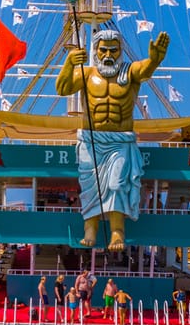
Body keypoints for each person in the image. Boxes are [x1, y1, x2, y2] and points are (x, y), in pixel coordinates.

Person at [55, 29, 169, 251]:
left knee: (117, 185)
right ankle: (90, 228)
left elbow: (144, 70)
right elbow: (62, 88)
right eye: (103, 49)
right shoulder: (87, 74)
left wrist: (155, 60)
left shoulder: (129, 72)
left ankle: (118, 232)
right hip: (91, 140)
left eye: (113, 50)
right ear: (96, 51)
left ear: (121, 51)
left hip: (120, 140)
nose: (108, 54)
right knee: (91, 188)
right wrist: (69, 63)